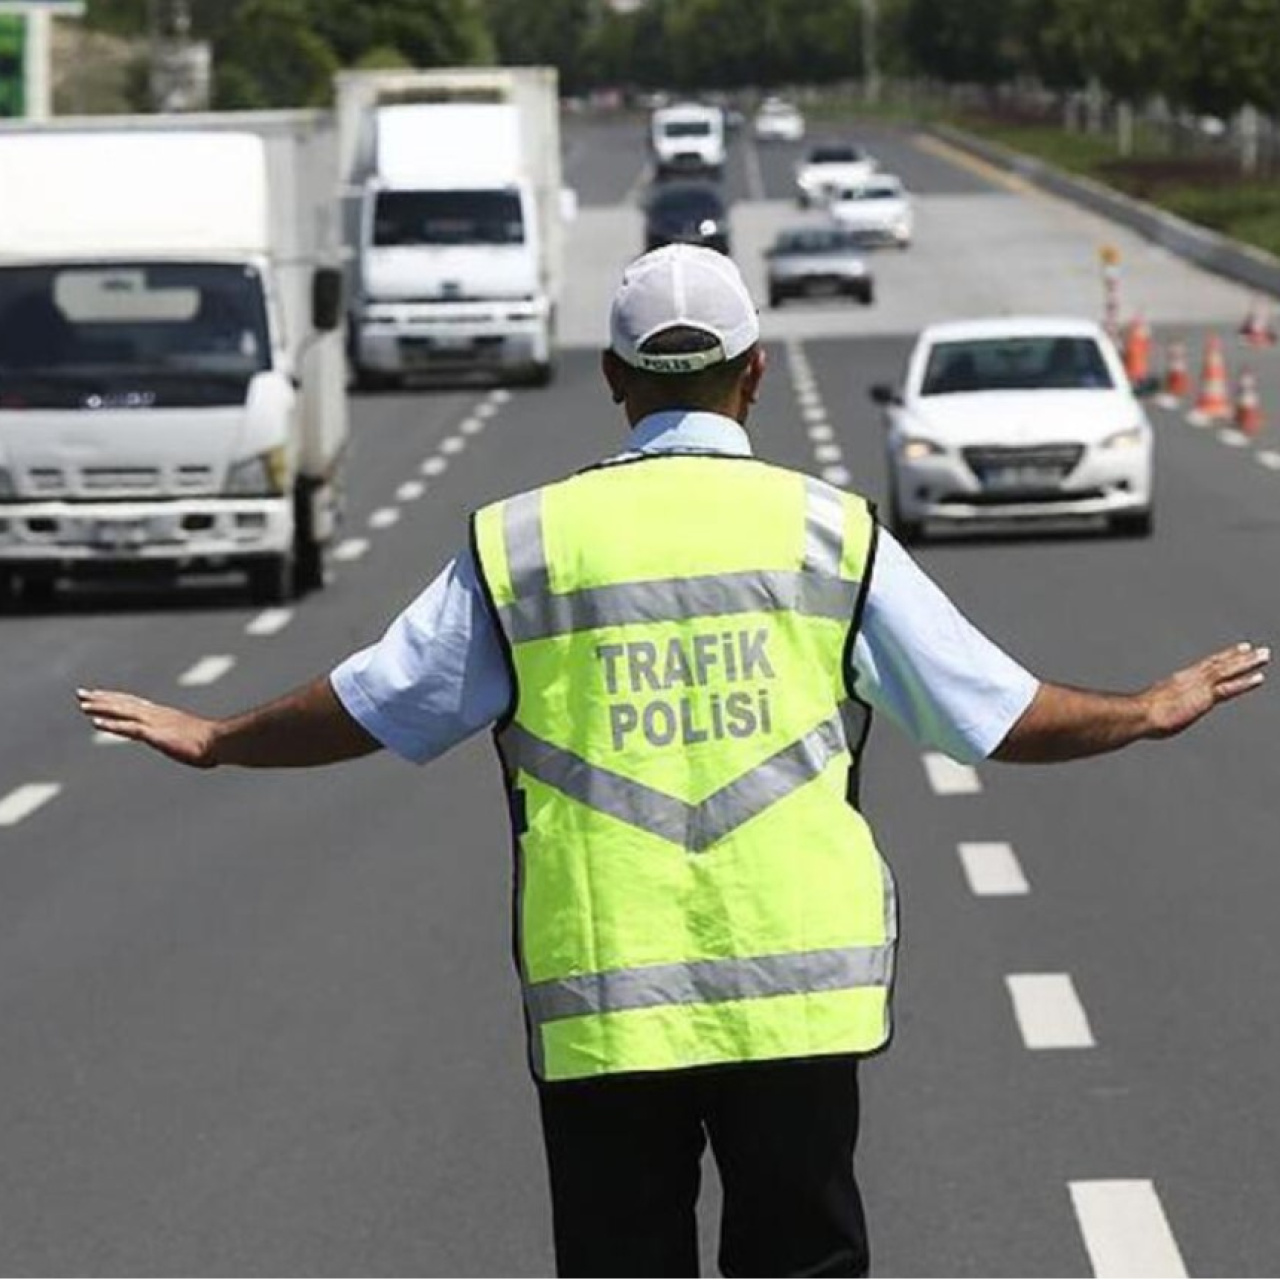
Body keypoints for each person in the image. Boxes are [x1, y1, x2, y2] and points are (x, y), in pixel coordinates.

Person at [77, 245, 1269, 1279]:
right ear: (753, 375)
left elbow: (378, 701)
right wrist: (1145, 706)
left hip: (606, 995)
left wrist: (217, 739)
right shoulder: (827, 531)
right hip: (796, 999)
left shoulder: (526, 542)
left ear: (611, 380)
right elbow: (991, 713)